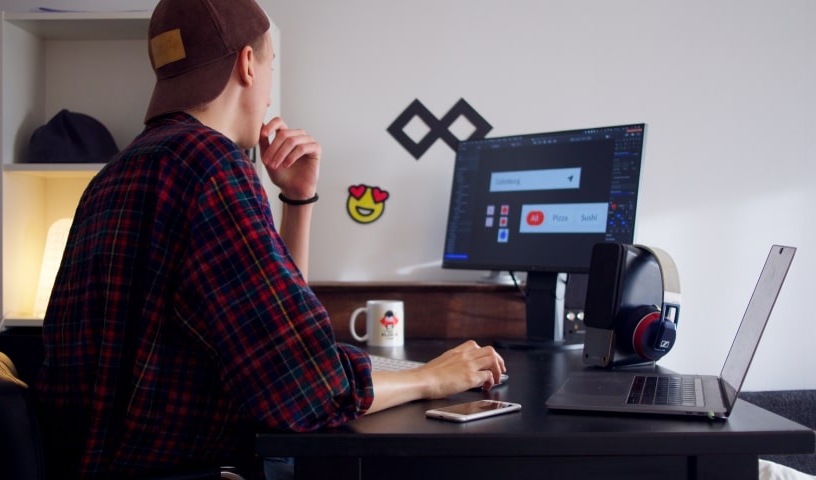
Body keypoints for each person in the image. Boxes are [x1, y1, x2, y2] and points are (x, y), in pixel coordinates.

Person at [32, 0, 506, 479]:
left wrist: (297, 201)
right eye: (271, 65)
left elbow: (279, 329)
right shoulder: (210, 165)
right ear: (247, 64)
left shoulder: (121, 168)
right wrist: (431, 377)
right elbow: (307, 390)